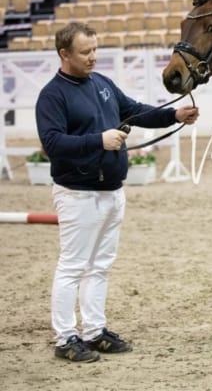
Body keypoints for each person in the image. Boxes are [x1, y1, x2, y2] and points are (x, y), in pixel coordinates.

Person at [35, 22, 199, 362]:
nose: (93, 57)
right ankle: (65, 337)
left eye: (95, 50)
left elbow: (135, 110)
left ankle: (94, 331)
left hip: (111, 190)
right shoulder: (52, 95)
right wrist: (100, 140)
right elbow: (52, 143)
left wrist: (173, 114)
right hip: (78, 193)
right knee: (73, 267)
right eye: (85, 52)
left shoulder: (102, 83)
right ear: (64, 54)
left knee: (100, 266)